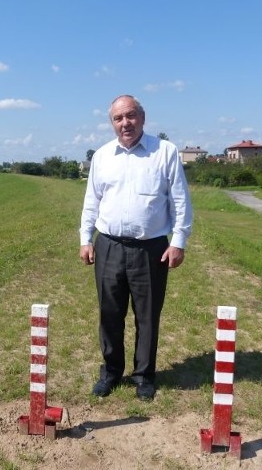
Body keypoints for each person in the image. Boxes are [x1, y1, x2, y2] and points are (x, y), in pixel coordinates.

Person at [79, 95, 193, 401]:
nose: (125, 123)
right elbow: (92, 201)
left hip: (151, 249)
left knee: (147, 316)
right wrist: (85, 239)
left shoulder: (164, 152)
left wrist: (179, 242)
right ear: (112, 123)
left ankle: (144, 376)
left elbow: (180, 201)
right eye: (118, 118)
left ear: (142, 118)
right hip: (109, 247)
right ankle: (111, 372)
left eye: (130, 116)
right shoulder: (102, 156)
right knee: (110, 313)